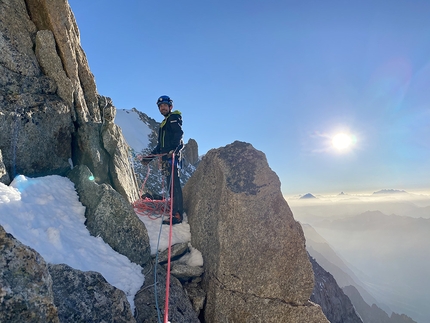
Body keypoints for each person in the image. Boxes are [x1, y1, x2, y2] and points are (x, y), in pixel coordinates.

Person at [143, 95, 184, 224]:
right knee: (171, 185)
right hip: (167, 157)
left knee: (174, 185)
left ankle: (177, 214)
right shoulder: (165, 123)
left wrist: (174, 151)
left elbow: (179, 135)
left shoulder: (172, 118)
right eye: (160, 106)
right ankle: (174, 210)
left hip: (172, 157)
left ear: (170, 107)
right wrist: (148, 158)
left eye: (165, 106)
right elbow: (160, 146)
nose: (162, 108)